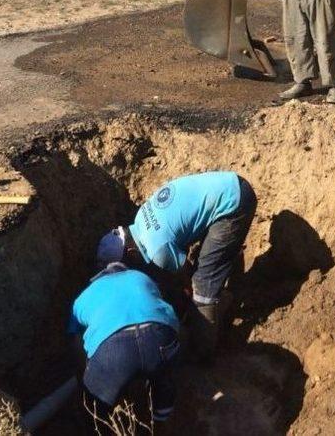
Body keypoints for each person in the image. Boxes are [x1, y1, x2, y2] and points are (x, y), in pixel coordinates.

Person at [97, 171, 257, 357]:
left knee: (202, 290)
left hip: (233, 204)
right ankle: (226, 292)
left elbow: (186, 279)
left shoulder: (158, 249)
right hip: (228, 184)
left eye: (128, 267)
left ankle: (204, 353)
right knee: (205, 266)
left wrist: (185, 304)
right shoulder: (141, 218)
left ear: (131, 253)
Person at [68, 262, 180, 433]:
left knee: (94, 408)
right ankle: (160, 423)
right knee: (163, 377)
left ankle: (98, 428)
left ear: (99, 278)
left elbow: (76, 343)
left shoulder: (83, 298)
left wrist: (86, 378)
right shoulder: (140, 276)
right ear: (124, 271)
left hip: (114, 351)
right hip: (160, 337)